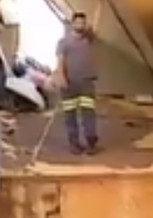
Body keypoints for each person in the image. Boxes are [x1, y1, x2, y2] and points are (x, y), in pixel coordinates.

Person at [53, 6, 103, 155]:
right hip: (69, 85)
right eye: (78, 23)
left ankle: (91, 144)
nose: (81, 25)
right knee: (70, 115)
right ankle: (74, 144)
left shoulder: (89, 38)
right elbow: (60, 61)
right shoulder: (63, 42)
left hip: (86, 83)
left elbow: (96, 23)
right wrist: (61, 77)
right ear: (72, 24)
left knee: (89, 114)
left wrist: (100, 7)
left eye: (83, 23)